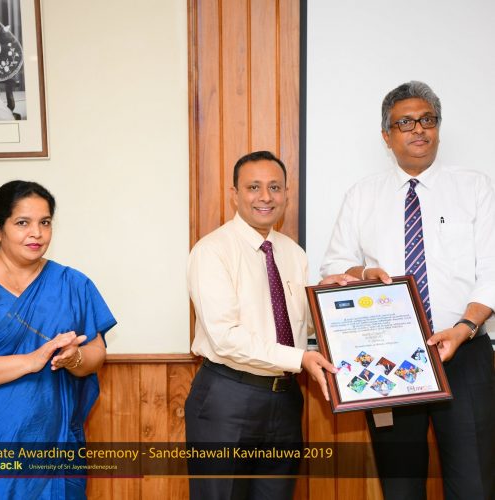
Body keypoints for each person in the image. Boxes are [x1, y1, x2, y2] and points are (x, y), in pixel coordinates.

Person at [320, 81, 495, 499]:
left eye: (427, 119)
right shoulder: (362, 195)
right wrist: (362, 273)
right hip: (389, 359)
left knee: (474, 486)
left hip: (465, 351)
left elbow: (491, 269)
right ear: (387, 136)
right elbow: (332, 267)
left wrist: (464, 328)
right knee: (400, 487)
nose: (419, 129)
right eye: (405, 122)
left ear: (438, 128)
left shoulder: (474, 187)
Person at [185, 151, 353, 499]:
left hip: (285, 400)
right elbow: (225, 337)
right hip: (228, 398)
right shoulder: (212, 251)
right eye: (254, 187)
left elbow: (301, 326)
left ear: (287, 194)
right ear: (234, 194)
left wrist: (332, 299)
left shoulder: (293, 253)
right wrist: (300, 359)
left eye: (275, 187)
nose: (265, 197)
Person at [0, 181, 116, 499]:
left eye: (45, 222)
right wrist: (30, 361)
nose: (36, 233)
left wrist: (75, 358)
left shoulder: (73, 284)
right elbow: (32, 360)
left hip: (54, 440)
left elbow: (97, 352)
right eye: (23, 223)